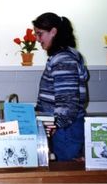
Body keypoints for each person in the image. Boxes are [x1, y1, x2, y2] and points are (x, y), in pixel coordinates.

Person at [32, 12, 89, 161]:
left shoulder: (62, 59)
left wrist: (54, 126)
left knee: (63, 175)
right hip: (65, 129)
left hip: (65, 131)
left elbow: (68, 101)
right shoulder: (64, 56)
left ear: (53, 32)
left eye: (40, 34)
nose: (37, 39)